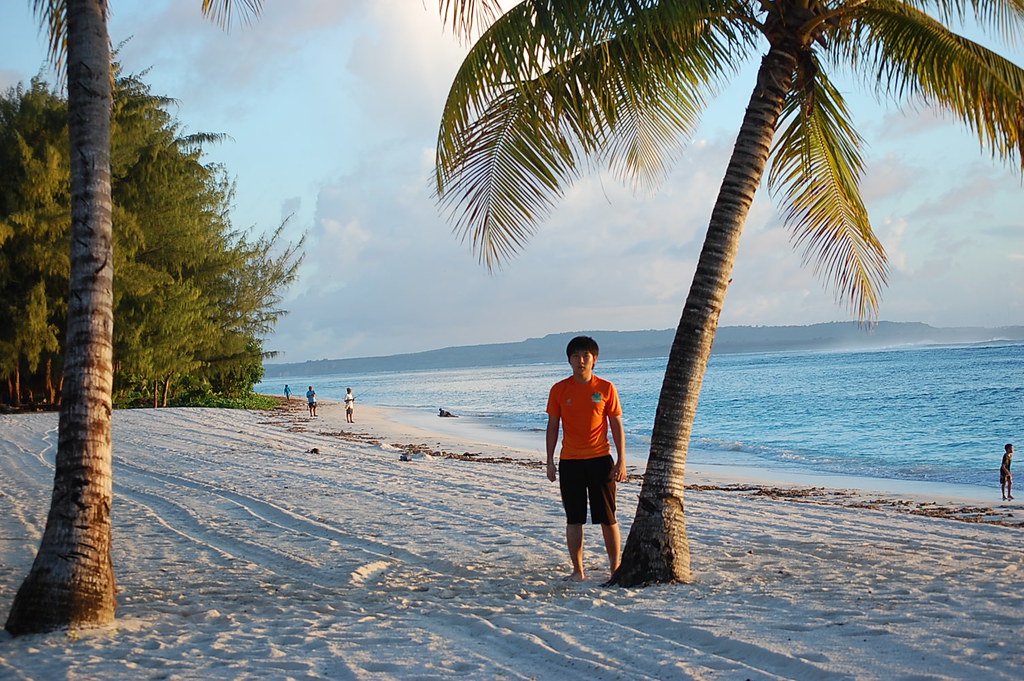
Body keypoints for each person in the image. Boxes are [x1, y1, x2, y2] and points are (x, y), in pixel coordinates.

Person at [545, 335, 627, 582]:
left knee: (608, 517)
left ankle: (615, 568)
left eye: (585, 356)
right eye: (576, 356)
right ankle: (577, 571)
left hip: (601, 459)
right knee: (574, 518)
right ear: (569, 360)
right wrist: (549, 460)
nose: (581, 361)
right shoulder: (559, 390)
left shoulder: (605, 388)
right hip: (570, 461)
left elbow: (616, 425)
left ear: (594, 360)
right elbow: (552, 426)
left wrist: (622, 460)